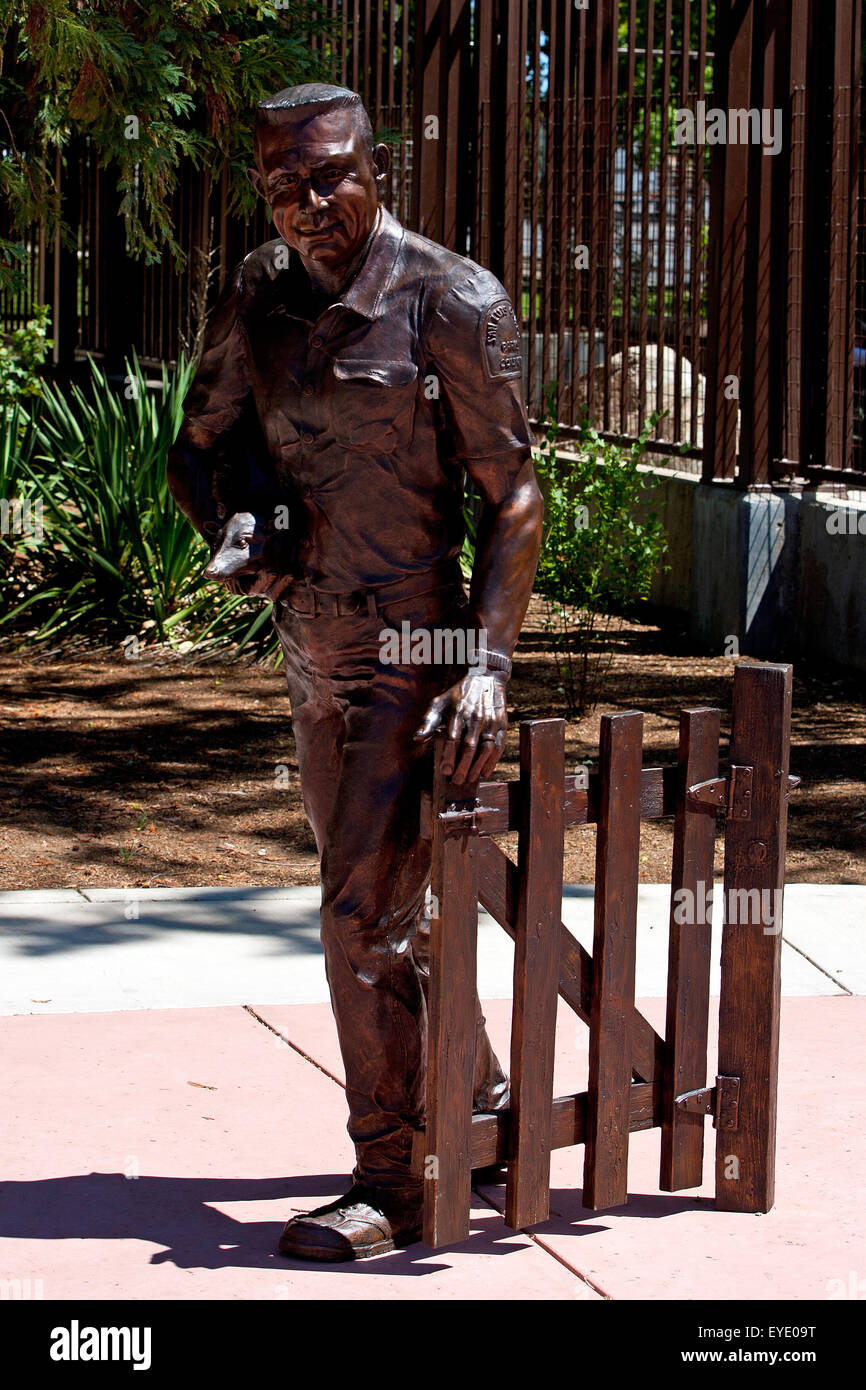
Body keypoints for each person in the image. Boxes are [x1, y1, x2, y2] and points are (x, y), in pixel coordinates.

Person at [167, 82, 544, 1261]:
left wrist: (486, 663)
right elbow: (199, 448)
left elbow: (517, 499)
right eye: (285, 188)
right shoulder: (256, 294)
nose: (312, 205)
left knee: (354, 916)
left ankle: (392, 1177)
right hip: (312, 645)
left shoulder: (449, 299)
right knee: (387, 906)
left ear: (376, 167)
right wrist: (245, 525)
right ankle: (468, 1103)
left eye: (331, 175)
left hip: (418, 648)